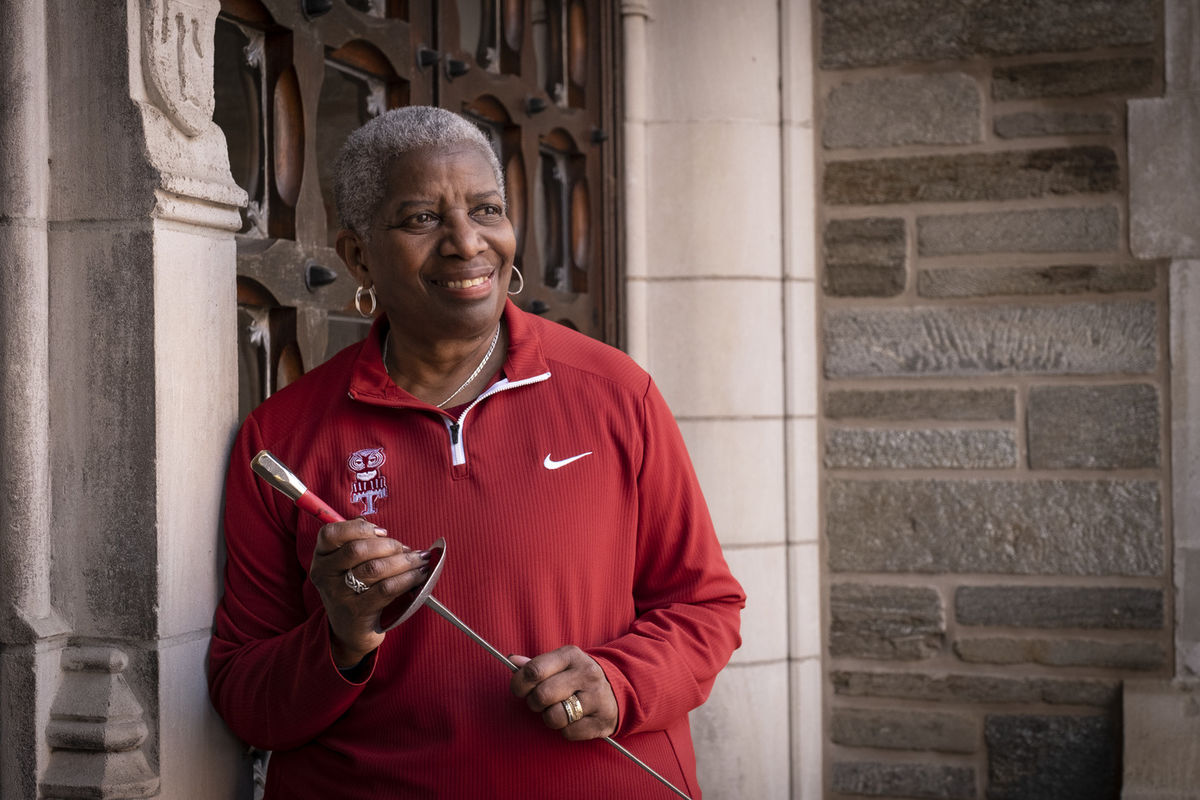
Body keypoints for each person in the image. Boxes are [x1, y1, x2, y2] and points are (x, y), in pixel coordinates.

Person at [207, 105, 745, 799]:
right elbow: (245, 697)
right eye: (421, 219)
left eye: (487, 209)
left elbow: (704, 606)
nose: (468, 242)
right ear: (359, 256)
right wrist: (340, 636)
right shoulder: (281, 437)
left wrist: (621, 682)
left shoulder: (616, 392)